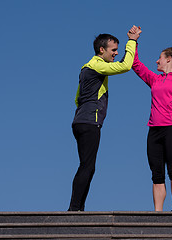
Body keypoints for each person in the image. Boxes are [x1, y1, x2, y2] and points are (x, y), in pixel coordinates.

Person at [68, 27, 141, 211]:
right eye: (113, 50)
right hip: (89, 122)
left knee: (88, 166)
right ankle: (74, 209)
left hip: (81, 121)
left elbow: (77, 98)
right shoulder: (97, 65)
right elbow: (125, 66)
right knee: (87, 166)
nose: (116, 53)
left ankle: (78, 208)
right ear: (102, 50)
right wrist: (131, 41)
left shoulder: (86, 68)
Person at [131, 26, 172, 211]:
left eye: (159, 57)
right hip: (154, 130)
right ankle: (157, 213)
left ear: (169, 59)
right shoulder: (154, 79)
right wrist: (133, 40)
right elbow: (136, 65)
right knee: (156, 174)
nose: (156, 60)